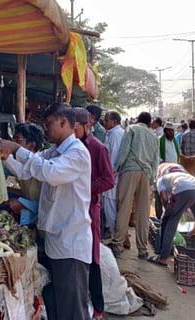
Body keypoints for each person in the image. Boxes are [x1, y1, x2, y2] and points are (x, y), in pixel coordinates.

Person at [0, 102, 92, 320]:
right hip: (55, 241)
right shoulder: (55, 152)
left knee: (72, 310)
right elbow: (28, 170)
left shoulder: (77, 154)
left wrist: (17, 148)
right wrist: (7, 157)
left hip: (71, 244)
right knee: (57, 305)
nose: (46, 128)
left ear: (63, 122)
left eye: (49, 123)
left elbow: (49, 173)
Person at [73, 107, 115, 320]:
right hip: (71, 208)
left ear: (87, 126)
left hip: (90, 208)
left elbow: (108, 179)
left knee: (92, 257)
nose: (71, 132)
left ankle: (98, 308)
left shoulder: (98, 149)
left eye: (75, 128)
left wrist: (84, 186)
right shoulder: (68, 147)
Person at [110, 112, 159, 260]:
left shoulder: (132, 129)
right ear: (149, 123)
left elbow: (124, 151)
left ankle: (117, 245)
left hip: (130, 170)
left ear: (138, 119)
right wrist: (152, 179)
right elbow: (155, 161)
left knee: (124, 207)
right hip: (146, 174)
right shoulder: (154, 137)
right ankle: (143, 250)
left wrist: (116, 168)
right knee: (143, 213)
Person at [147, 169, 195, 266]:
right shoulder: (182, 175)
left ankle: (163, 257)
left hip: (184, 190)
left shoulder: (160, 180)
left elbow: (164, 199)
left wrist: (167, 212)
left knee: (169, 221)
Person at [102, 110, 125, 236]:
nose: (104, 123)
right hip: (111, 175)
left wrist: (110, 174)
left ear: (114, 122)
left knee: (110, 207)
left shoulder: (116, 135)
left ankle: (116, 235)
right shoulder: (112, 133)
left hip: (112, 176)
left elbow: (114, 157)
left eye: (107, 120)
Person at [156, 122, 180, 218]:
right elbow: (156, 156)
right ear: (165, 131)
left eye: (172, 131)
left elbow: (177, 154)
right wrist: (163, 163)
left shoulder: (174, 140)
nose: (171, 132)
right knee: (162, 194)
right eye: (169, 131)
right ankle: (160, 216)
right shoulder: (159, 140)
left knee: (173, 194)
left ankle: (172, 214)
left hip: (174, 171)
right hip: (164, 172)